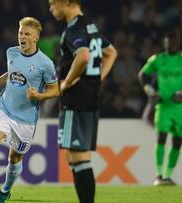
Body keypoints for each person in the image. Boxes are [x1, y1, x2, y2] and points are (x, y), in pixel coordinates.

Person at [0, 17, 59, 203]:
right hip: (5, 107)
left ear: (36, 38)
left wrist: (39, 96)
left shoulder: (45, 63)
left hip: (26, 118)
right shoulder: (11, 52)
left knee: (14, 158)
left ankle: (5, 191)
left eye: (27, 34)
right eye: (21, 33)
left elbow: (55, 90)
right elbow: (10, 75)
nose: (22, 36)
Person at [48, 0, 117, 202]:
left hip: (76, 98)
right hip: (89, 96)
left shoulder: (75, 28)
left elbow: (83, 55)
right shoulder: (90, 26)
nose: (51, 9)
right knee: (73, 156)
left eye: (54, 4)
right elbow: (111, 52)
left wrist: (66, 82)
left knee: (79, 157)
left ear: (67, 3)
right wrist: (97, 78)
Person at [138, 32, 182, 186]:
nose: (171, 45)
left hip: (179, 108)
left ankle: (168, 175)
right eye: (168, 42)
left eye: (173, 42)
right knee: (161, 138)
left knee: (177, 142)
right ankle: (158, 175)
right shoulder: (158, 60)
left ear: (177, 44)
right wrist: (150, 91)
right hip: (163, 105)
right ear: (165, 44)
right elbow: (142, 74)